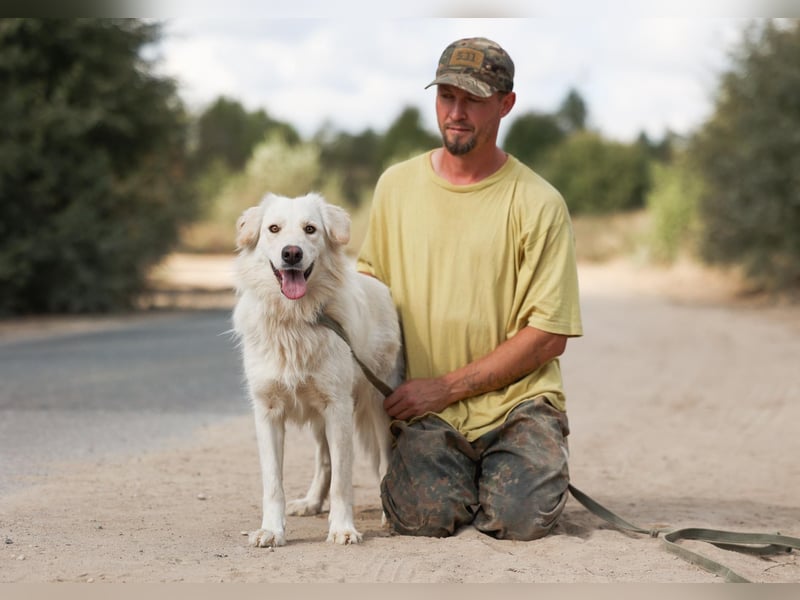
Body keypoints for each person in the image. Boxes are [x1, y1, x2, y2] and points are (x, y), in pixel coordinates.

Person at [356, 37, 583, 541]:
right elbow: (369, 289)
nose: (455, 113)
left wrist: (444, 386)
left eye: (473, 99)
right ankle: (469, 476)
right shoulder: (394, 187)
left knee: (520, 519)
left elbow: (549, 335)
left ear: (506, 104)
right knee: (423, 518)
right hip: (428, 412)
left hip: (519, 404)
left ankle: (525, 464)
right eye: (446, 97)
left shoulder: (540, 203)